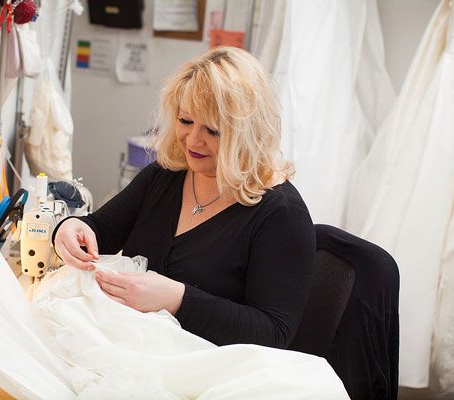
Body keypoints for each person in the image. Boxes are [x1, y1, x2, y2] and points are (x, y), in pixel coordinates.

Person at [52, 46, 315, 348]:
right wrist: (69, 229)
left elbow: (274, 333)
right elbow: (100, 231)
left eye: (212, 131)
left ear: (248, 133)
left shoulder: (282, 215)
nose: (192, 140)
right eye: (186, 121)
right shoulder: (167, 175)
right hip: (137, 346)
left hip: (210, 371)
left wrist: (177, 300)